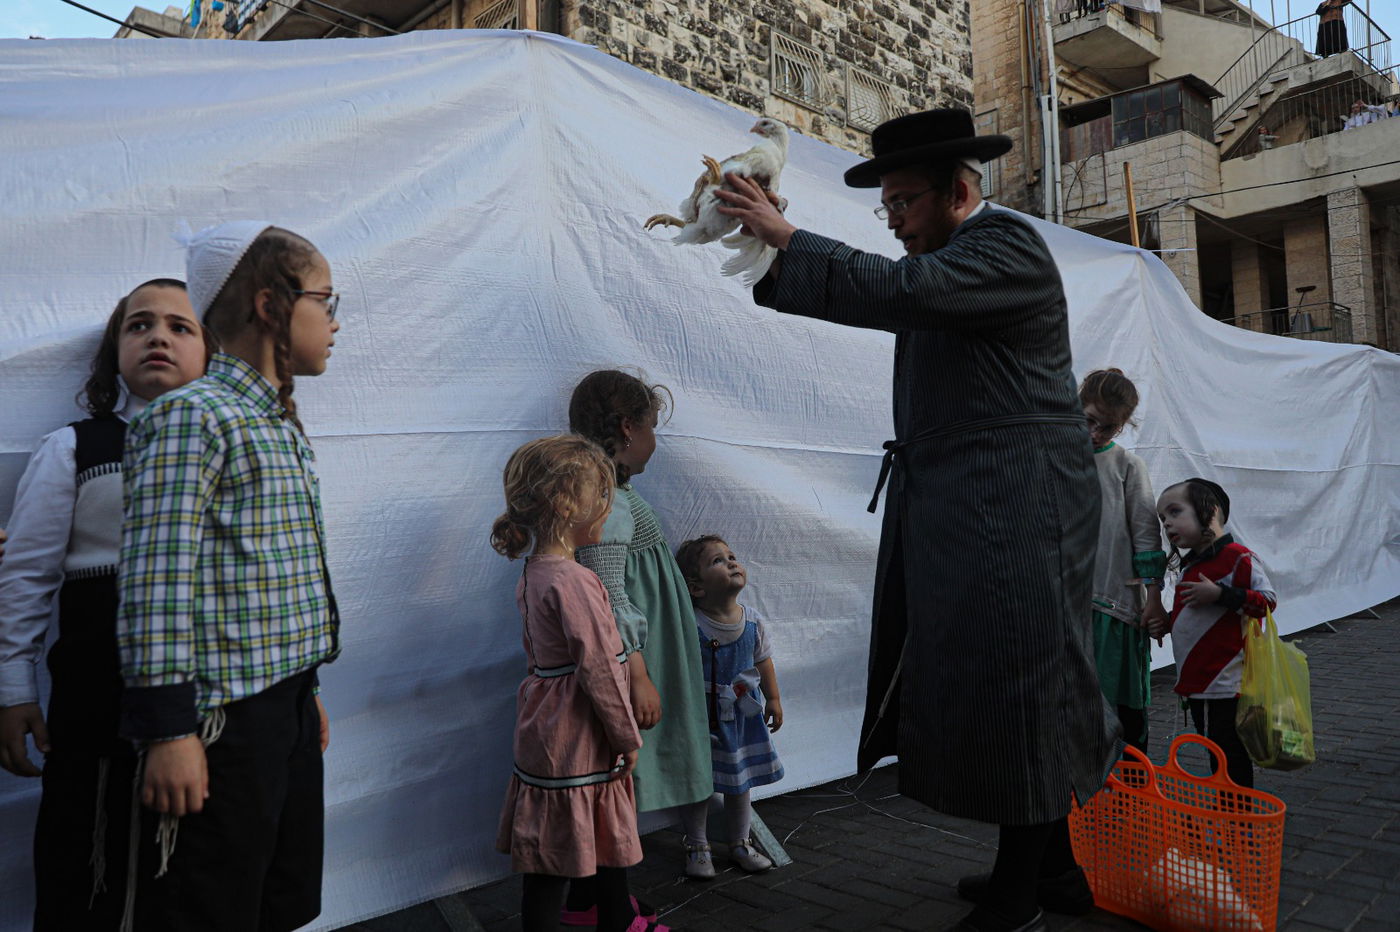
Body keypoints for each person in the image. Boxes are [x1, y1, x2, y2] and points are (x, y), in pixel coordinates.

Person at [716, 108, 1118, 932]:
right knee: (1004, 675)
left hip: (1021, 500)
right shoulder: (951, 259)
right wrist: (765, 238)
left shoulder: (1004, 246)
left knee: (1022, 681)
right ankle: (1059, 874)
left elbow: (897, 289)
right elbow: (866, 290)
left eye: (903, 204)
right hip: (976, 499)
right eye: (887, 206)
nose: (893, 221)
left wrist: (787, 233)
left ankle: (1018, 892)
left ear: (960, 192)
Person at [117, 223, 340, 932]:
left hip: (286, 710)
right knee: (212, 905)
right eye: (326, 302)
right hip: (221, 731)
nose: (334, 323)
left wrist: (304, 687)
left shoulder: (272, 422)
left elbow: (263, 576)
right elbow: (155, 583)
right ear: (271, 306)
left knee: (280, 898)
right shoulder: (193, 416)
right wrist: (167, 732)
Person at [0, 280, 213, 930]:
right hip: (96, 711)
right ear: (112, 352)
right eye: (139, 325)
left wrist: (301, 688)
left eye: (181, 327)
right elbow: (26, 576)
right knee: (90, 879)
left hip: (211, 717)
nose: (158, 336)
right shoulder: (74, 449)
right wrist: (13, 689)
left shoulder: (232, 448)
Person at [491, 435, 675, 932]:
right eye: (601, 496)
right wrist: (625, 736)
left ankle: (608, 915)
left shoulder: (538, 571)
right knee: (579, 836)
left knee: (568, 834)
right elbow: (598, 668)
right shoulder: (574, 581)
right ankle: (608, 920)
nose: (606, 506)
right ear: (568, 504)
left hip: (545, 724)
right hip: (577, 728)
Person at [563, 370, 712, 926]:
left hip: (635, 660)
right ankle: (607, 910)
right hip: (629, 666)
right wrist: (640, 673)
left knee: (614, 782)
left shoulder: (612, 490)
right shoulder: (603, 496)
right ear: (628, 428)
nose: (655, 439)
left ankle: (589, 902)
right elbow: (606, 592)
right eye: (652, 427)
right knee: (613, 784)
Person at [673, 535, 784, 880]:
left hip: (740, 717)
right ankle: (697, 845)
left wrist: (774, 699)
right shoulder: (690, 624)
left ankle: (739, 842)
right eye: (718, 561)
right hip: (701, 719)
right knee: (699, 784)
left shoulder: (751, 621)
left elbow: (763, 662)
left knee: (740, 784)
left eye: (732, 556)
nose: (732, 562)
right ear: (696, 587)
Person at [1156, 478, 1276, 789]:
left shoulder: (1238, 557)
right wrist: (1168, 623)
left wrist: (1221, 594)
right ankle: (1231, 818)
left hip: (1222, 683)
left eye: (1174, 511)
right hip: (1199, 682)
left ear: (1209, 511)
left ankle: (1235, 823)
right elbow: (1196, 614)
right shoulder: (1192, 565)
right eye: (1162, 518)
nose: (1167, 523)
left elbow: (1267, 602)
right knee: (1218, 754)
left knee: (1227, 756)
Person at [1079, 369, 1167, 754]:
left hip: (1114, 607)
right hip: (1065, 607)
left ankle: (1131, 794)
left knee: (1121, 710)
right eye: (1089, 421)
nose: (1096, 434)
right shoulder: (1053, 456)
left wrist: (1153, 599)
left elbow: (1147, 537)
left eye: (1109, 428)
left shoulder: (1127, 466)